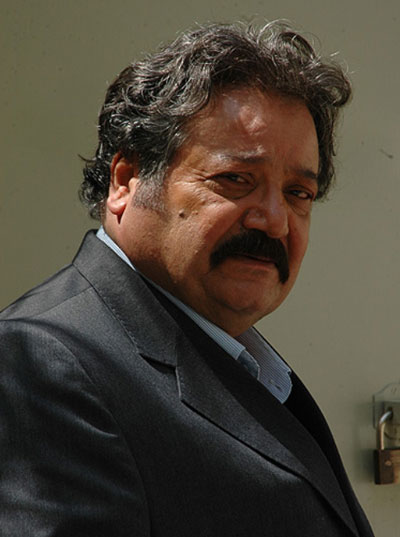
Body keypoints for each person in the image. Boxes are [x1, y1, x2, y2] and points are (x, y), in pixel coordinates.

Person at [0, 21, 374, 537]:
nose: (274, 220)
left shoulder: (238, 356)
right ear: (126, 181)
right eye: (235, 179)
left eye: (298, 193)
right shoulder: (43, 363)